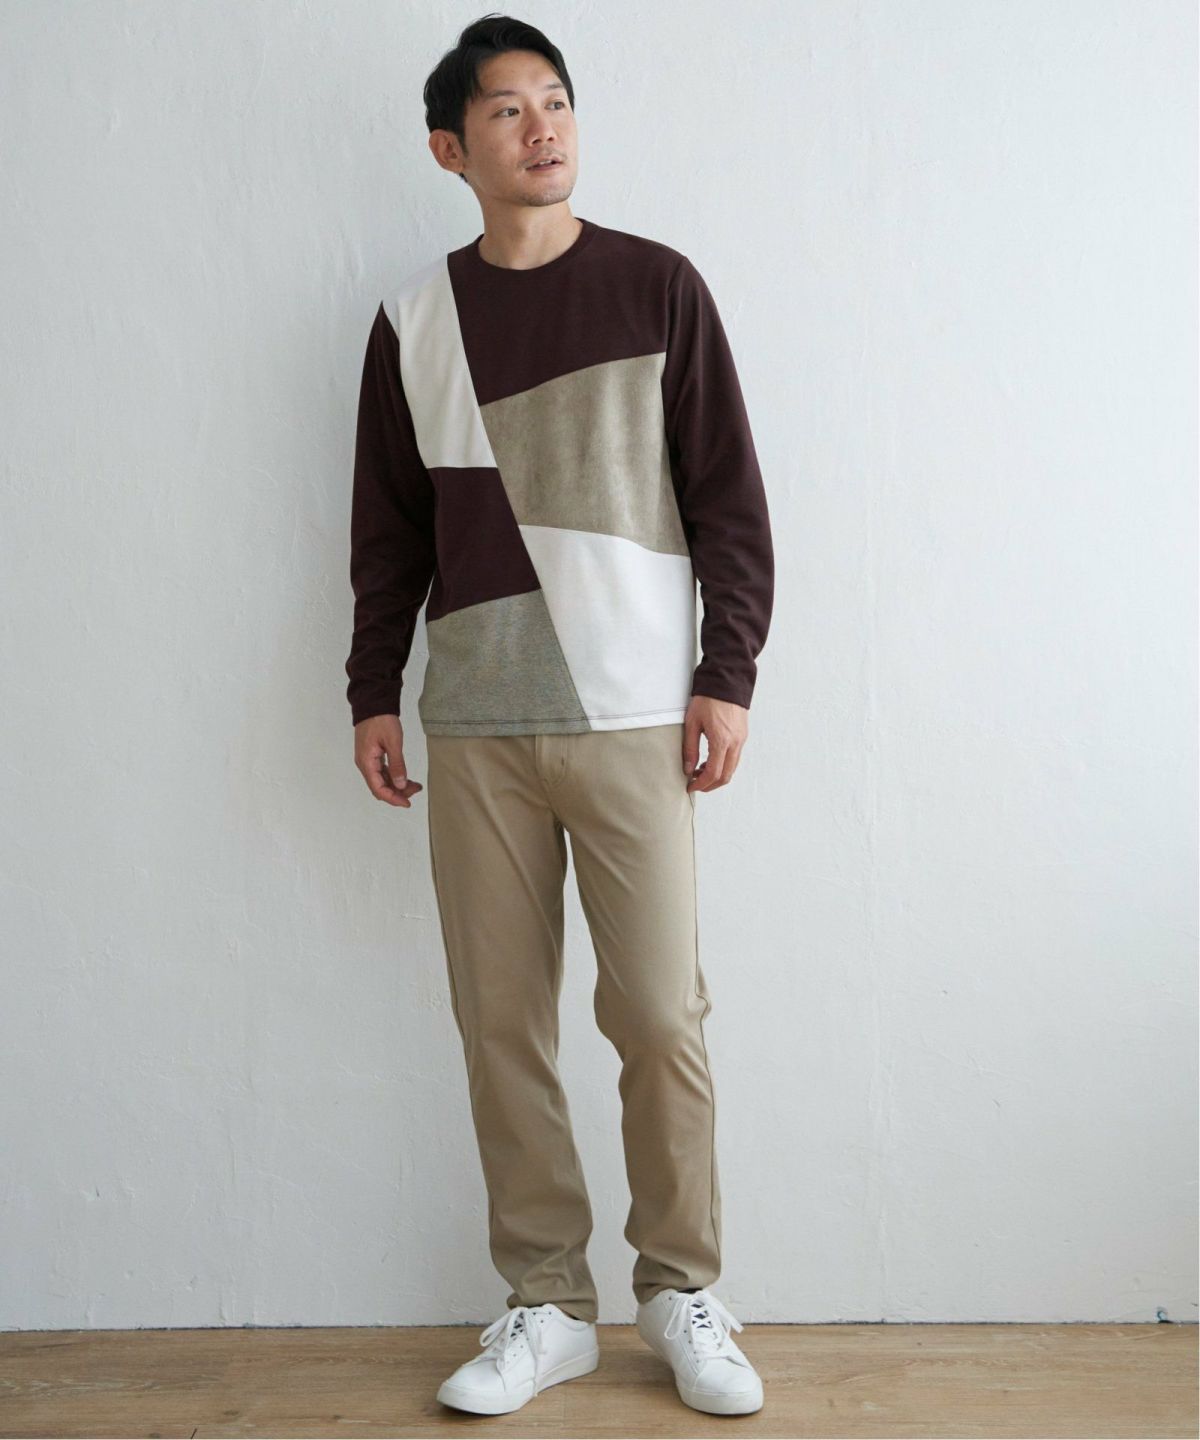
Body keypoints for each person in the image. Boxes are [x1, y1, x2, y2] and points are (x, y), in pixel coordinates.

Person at [344, 12, 774, 1419]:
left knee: (659, 1016)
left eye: (557, 101)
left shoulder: (658, 288)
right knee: (502, 1024)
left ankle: (681, 1287)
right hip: (476, 722)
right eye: (507, 109)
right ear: (449, 148)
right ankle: (546, 1300)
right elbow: (388, 530)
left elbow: (728, 497)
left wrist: (726, 672)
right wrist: (371, 690)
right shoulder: (412, 322)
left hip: (637, 713)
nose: (541, 127)